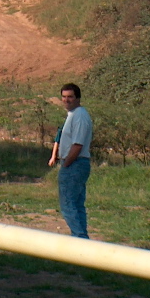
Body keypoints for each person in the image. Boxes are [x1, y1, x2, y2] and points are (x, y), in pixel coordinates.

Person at [54, 83, 92, 238]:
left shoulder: (80, 116)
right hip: (76, 163)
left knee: (68, 204)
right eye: (64, 97)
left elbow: (77, 145)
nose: (66, 100)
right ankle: (82, 240)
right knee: (76, 204)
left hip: (75, 164)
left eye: (70, 97)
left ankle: (79, 238)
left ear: (78, 98)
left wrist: (67, 164)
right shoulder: (73, 115)